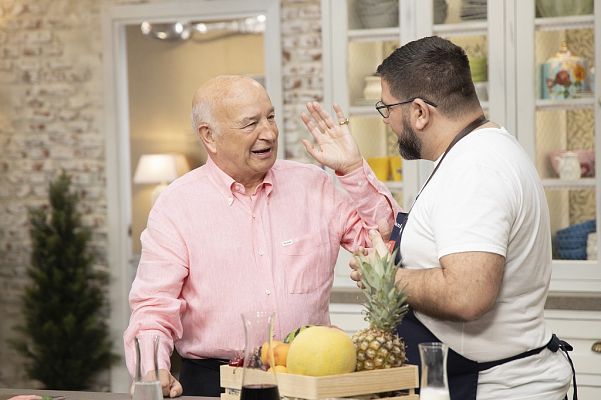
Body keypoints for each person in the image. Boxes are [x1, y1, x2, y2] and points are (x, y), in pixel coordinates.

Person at [123, 75, 399, 397]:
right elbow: (154, 306)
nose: (268, 132)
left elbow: (387, 244)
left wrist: (353, 170)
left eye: (270, 117)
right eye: (250, 123)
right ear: (209, 136)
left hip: (310, 377)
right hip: (215, 382)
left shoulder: (315, 187)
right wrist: (152, 369)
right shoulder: (176, 205)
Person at [347, 36, 575, 400]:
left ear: (420, 112)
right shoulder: (480, 151)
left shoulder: (475, 170)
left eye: (387, 107)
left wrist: (385, 276)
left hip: (497, 389)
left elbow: (467, 294)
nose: (387, 120)